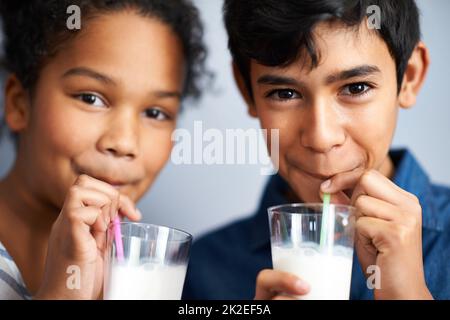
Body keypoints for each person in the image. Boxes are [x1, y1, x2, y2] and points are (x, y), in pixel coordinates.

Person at [183, 0, 450, 300]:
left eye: (356, 88)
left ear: (410, 76)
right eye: (284, 94)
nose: (321, 138)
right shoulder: (203, 272)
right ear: (247, 89)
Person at [0, 0, 206, 299]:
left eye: (155, 113)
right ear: (19, 103)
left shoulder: (151, 280)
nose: (123, 143)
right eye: (90, 98)